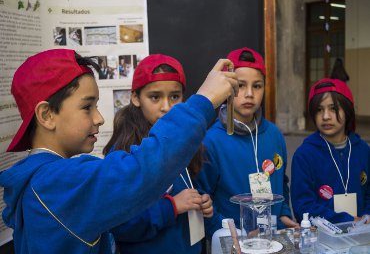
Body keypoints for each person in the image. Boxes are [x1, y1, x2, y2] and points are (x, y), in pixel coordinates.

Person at [0, 49, 238, 253]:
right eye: (87, 107)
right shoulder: (56, 182)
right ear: (46, 115)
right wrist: (204, 100)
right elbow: (142, 170)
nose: (99, 118)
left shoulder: (44, 181)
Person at [104, 54, 213, 254]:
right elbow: (120, 224)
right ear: (136, 98)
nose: (166, 107)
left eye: (174, 96)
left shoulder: (186, 141)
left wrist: (201, 202)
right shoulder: (124, 152)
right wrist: (171, 207)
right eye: (155, 97)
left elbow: (185, 188)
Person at [195, 47, 297, 238]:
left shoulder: (274, 135)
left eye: (257, 86)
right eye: (240, 85)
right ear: (227, 87)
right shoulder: (211, 140)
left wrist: (283, 213)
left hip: (271, 238)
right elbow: (203, 198)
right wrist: (229, 233)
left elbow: (282, 183)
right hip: (232, 240)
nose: (249, 94)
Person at [291, 78, 370, 223]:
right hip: (321, 237)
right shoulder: (304, 155)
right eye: (319, 110)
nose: (326, 116)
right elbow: (302, 206)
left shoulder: (363, 150)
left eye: (333, 108)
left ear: (347, 110)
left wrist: (366, 217)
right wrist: (347, 220)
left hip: (362, 235)